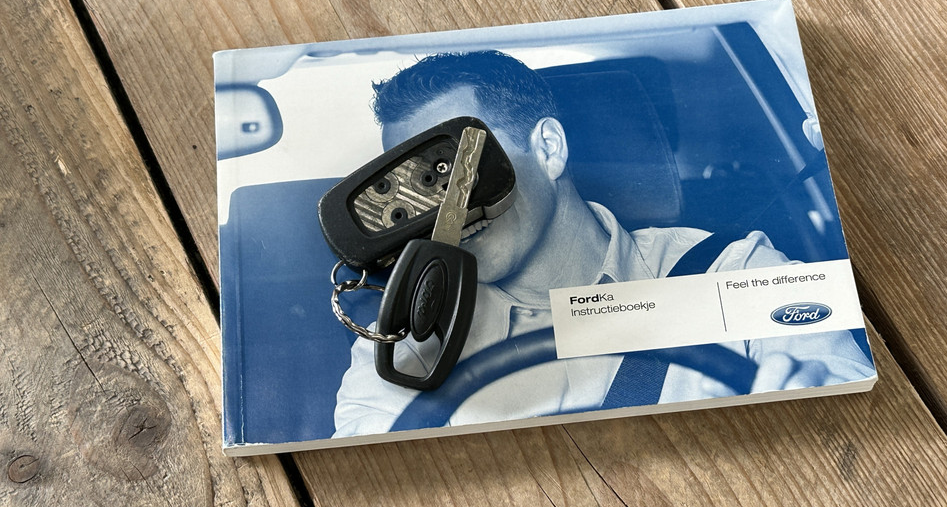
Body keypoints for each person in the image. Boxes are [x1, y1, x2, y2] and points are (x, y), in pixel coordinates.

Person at [333, 51, 873, 436]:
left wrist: (805, 414)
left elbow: (849, 404)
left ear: (548, 149)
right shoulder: (408, 342)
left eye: (452, 171)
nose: (446, 214)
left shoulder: (735, 271)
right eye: (418, 192)